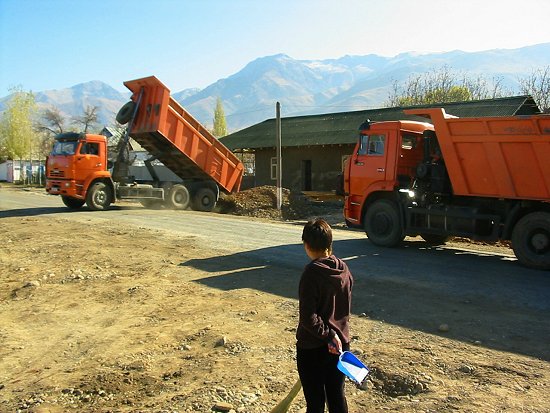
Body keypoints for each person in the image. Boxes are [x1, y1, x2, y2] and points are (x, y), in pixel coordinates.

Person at [296, 218, 354, 413]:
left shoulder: (312, 272)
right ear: (330, 244)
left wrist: (328, 335)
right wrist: (337, 336)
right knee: (337, 398)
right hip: (340, 347)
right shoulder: (343, 269)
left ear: (307, 244)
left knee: (315, 404)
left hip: (314, 348)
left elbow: (307, 317)